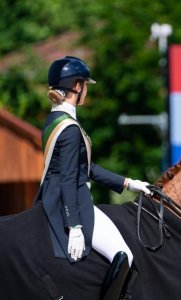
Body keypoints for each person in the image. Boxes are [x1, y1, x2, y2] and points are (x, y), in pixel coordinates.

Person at [34, 56, 149, 298]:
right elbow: (68, 178)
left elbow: (86, 167)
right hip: (68, 201)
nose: (86, 89)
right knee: (124, 255)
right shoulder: (70, 128)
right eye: (85, 84)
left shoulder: (54, 120)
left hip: (53, 194)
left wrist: (129, 183)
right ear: (77, 86)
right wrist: (74, 224)